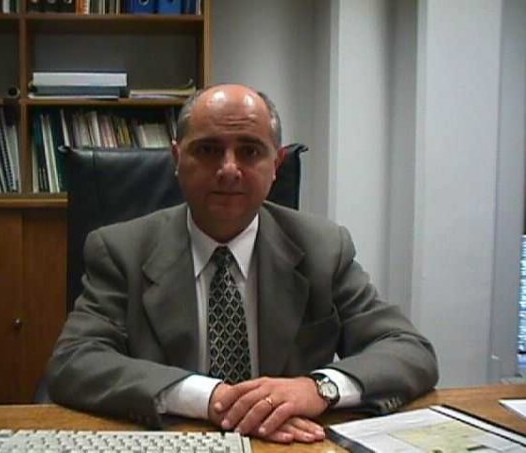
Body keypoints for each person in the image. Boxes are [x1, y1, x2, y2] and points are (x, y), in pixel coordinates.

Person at [47, 83, 438, 444]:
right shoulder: (120, 250)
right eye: (208, 150)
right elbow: (74, 361)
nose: (229, 169)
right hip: (172, 442)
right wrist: (208, 397)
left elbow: (408, 349)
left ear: (276, 164)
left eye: (250, 151)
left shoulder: (323, 248)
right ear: (177, 159)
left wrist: (318, 388)